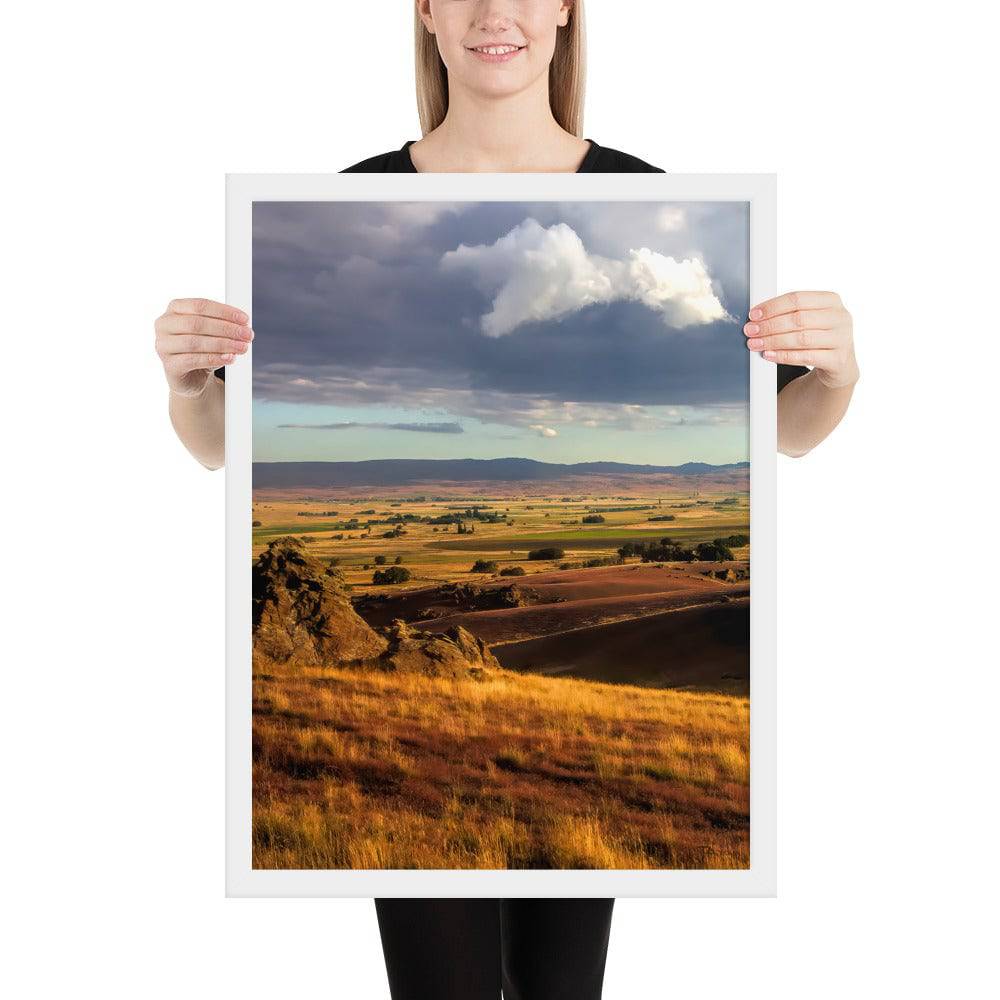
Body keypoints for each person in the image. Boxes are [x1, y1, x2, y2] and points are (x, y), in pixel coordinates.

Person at [155, 2, 859, 997]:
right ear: (427, 13)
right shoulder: (346, 198)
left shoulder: (654, 196)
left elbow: (779, 431)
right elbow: (224, 452)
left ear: (567, 9)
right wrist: (189, 387)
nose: (497, 12)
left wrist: (836, 373)